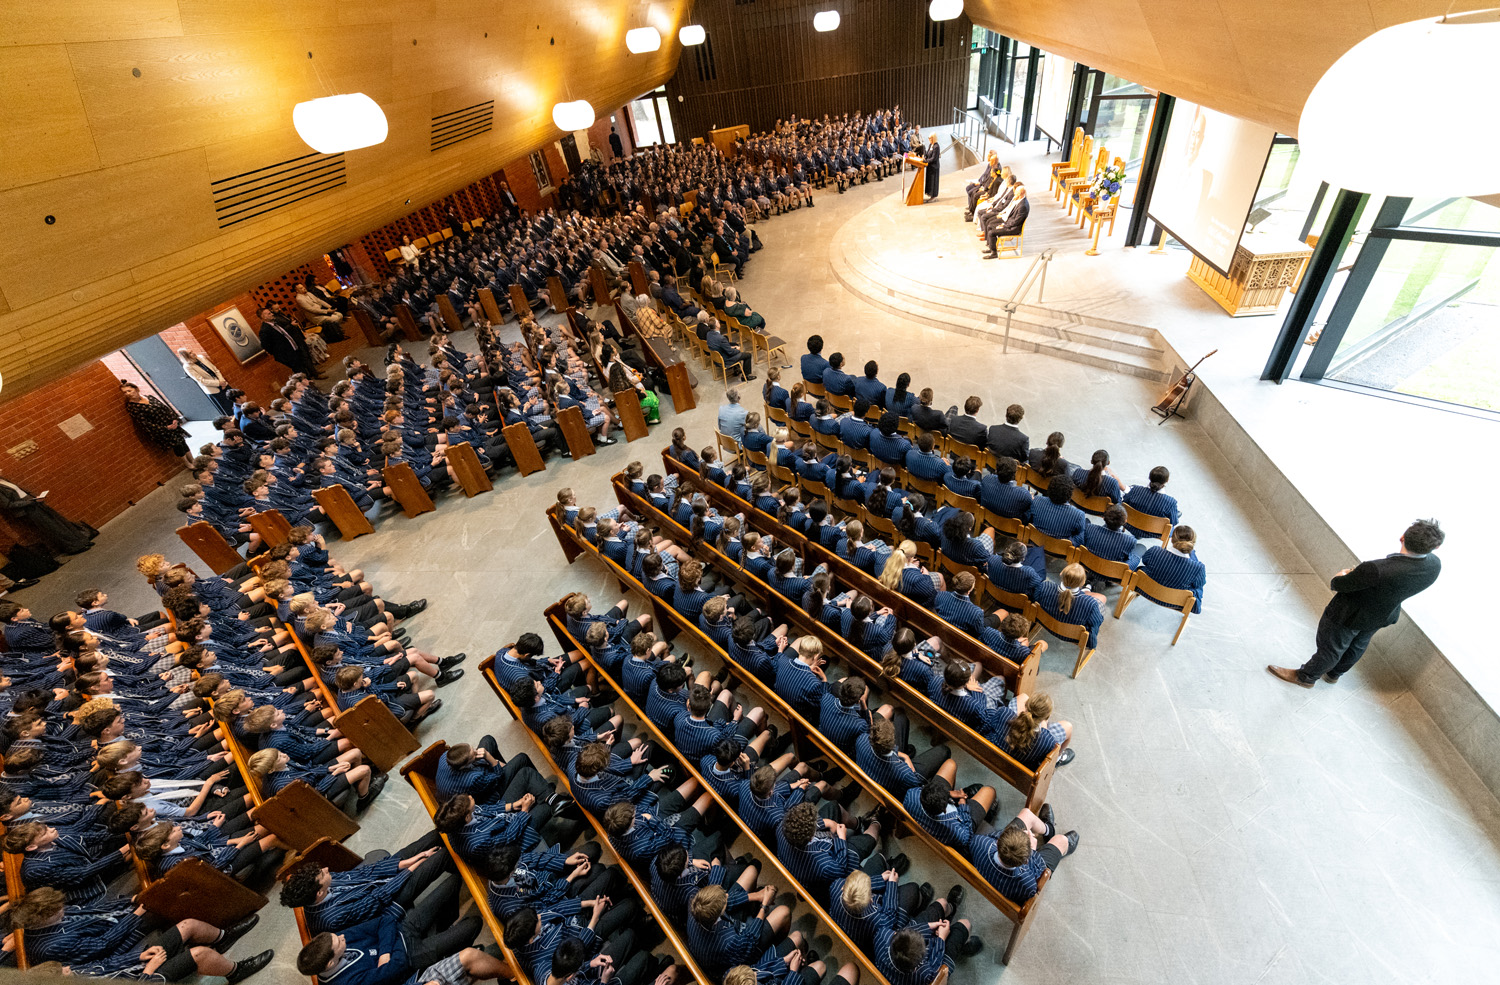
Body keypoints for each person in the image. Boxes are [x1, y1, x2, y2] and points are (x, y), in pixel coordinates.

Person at [1268, 519, 1444, 688]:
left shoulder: (1376, 569)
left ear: (1402, 537)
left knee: (1331, 649)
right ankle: (1334, 675)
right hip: (1382, 615)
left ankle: (1306, 677)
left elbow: (1339, 585)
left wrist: (1343, 574)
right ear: (1436, 547)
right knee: (1357, 645)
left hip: (1348, 614)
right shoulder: (1435, 565)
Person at [0, 477, 95, 555]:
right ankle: (73, 547)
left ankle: (82, 542)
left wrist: (34, 498)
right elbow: (8, 505)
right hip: (27, 509)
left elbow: (21, 492)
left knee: (59, 521)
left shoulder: (3, 480)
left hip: (34, 503)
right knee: (52, 527)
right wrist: (29, 502)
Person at [120, 380, 193, 466]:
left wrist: (174, 419)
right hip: (162, 429)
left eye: (129, 391)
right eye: (125, 392)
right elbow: (145, 423)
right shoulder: (133, 407)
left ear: (136, 389)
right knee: (177, 446)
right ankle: (188, 464)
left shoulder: (149, 397)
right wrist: (166, 428)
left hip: (171, 423)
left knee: (183, 442)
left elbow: (165, 408)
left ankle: (193, 460)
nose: (127, 394)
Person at [257, 306, 321, 378]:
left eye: (271, 312)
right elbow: (265, 346)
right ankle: (308, 383)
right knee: (299, 370)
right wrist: (279, 352)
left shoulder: (275, 323)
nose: (272, 314)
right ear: (264, 317)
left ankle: (311, 377)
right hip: (286, 353)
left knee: (303, 365)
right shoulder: (264, 330)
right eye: (269, 313)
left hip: (293, 347)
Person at [176, 348, 234, 416]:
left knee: (236, 401)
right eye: (190, 353)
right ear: (186, 357)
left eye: (192, 351)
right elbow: (201, 381)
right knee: (229, 410)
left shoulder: (201, 357)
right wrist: (219, 383)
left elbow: (216, 370)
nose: (193, 353)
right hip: (214, 390)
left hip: (223, 384)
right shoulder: (187, 367)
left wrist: (222, 381)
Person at [981, 184, 1029, 258]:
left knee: (992, 232)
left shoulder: (1023, 206)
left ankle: (994, 253)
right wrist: (1003, 223)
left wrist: (1004, 225)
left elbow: (1016, 221)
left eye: (1016, 192)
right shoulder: (1019, 201)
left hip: (1014, 228)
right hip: (1009, 223)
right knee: (990, 226)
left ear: (1021, 193)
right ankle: (992, 248)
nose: (1014, 193)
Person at [922, 133, 940, 201]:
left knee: (933, 182)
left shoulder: (936, 146)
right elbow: (927, 153)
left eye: (930, 138)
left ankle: (934, 196)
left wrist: (926, 161)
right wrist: (925, 156)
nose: (929, 139)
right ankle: (930, 195)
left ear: (933, 138)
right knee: (930, 181)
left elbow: (934, 158)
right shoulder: (930, 145)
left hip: (934, 167)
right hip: (929, 166)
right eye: (928, 138)